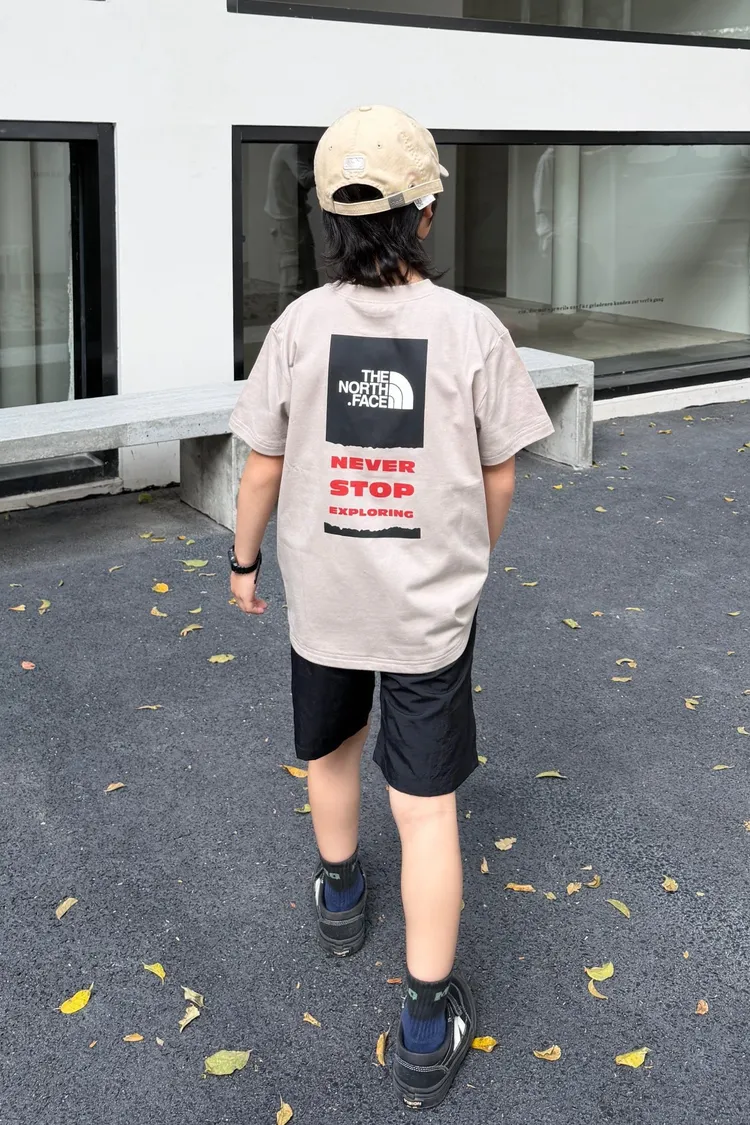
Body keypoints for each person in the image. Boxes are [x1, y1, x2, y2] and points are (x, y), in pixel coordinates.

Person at [228, 105, 554, 1111]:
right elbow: (500, 473)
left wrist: (244, 562)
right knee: (426, 806)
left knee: (331, 750)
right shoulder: (471, 329)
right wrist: (466, 559)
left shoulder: (298, 326)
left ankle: (339, 897)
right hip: (427, 612)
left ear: (330, 221)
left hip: (325, 598)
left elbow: (261, 466)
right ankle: (422, 1026)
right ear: (425, 214)